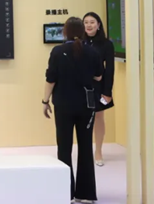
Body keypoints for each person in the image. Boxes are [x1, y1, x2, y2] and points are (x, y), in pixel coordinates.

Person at [43, 17, 103, 203]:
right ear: (82, 31)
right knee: (85, 147)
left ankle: (65, 192)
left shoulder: (58, 51)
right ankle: (86, 194)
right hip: (86, 105)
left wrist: (45, 101)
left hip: (63, 105)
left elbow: (51, 79)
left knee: (64, 148)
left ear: (65, 32)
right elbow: (99, 76)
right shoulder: (92, 51)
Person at [83, 12, 115, 166]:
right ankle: (85, 150)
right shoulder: (79, 42)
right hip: (81, 85)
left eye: (92, 22)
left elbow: (109, 69)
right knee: (82, 118)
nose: (89, 25)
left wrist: (107, 91)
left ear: (98, 25)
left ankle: (98, 151)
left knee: (98, 117)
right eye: (86, 22)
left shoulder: (106, 44)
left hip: (99, 86)